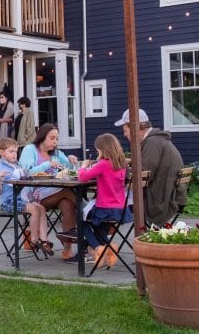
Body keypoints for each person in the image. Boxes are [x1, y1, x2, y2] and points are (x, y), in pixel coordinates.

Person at [18, 123, 79, 260]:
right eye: (52, 138)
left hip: (54, 193)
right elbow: (25, 172)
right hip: (34, 195)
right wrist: (46, 165)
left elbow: (69, 167)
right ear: (42, 136)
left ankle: (67, 250)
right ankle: (88, 210)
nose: (55, 142)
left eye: (56, 139)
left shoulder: (56, 153)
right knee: (66, 192)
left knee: (68, 204)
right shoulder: (30, 149)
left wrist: (71, 160)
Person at [115, 108, 185, 226]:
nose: (124, 134)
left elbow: (143, 174)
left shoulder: (152, 143)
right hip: (170, 194)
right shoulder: (157, 140)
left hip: (161, 200)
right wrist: (132, 161)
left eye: (125, 130)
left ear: (135, 127)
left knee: (108, 203)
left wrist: (118, 170)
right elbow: (151, 166)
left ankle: (97, 240)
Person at [74, 133, 130, 267]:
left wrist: (83, 166)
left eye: (98, 149)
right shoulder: (122, 164)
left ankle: (98, 248)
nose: (97, 152)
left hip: (105, 208)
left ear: (103, 149)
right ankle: (108, 248)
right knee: (97, 226)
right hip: (120, 209)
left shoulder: (103, 164)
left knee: (81, 219)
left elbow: (83, 177)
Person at [0, 137, 53, 257]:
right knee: (34, 209)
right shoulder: (1, 169)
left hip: (20, 198)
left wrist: (25, 173)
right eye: (11, 151)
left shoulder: (15, 166)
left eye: (16, 151)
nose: (14, 154)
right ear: (2, 152)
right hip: (8, 202)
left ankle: (44, 240)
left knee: (41, 208)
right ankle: (34, 240)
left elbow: (23, 177)